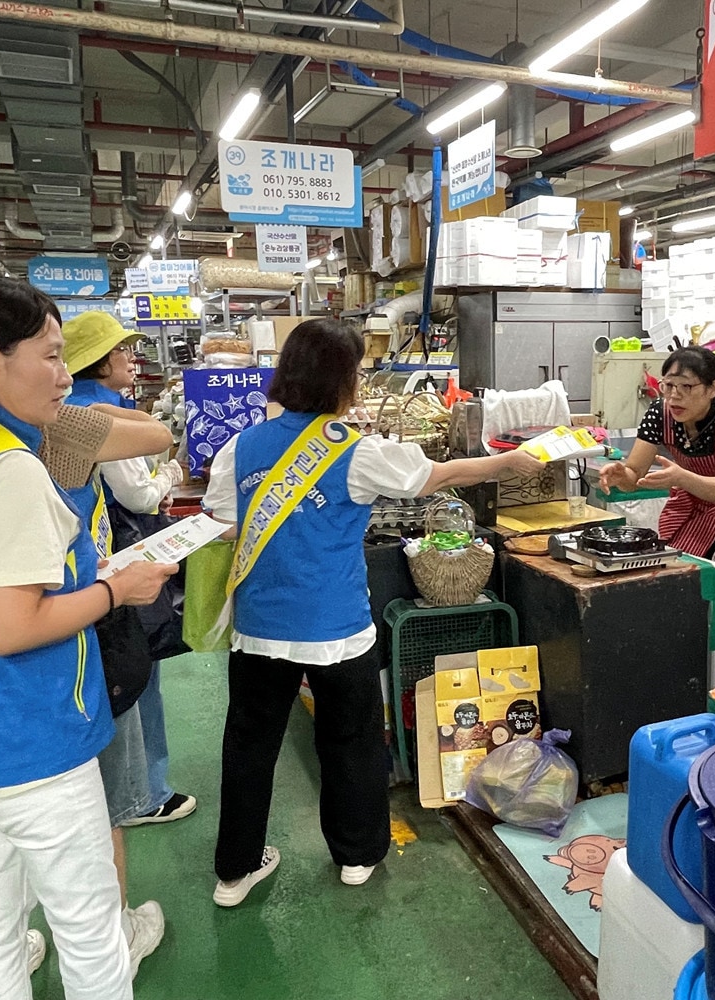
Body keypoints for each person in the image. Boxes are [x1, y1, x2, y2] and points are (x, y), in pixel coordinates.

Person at [0, 276, 178, 1000]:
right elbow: (11, 627)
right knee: (88, 930)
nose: (63, 377)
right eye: (49, 356)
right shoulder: (11, 469)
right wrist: (116, 589)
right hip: (27, 741)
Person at [201, 318, 543, 905]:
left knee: (250, 746)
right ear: (341, 381)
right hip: (336, 630)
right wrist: (505, 465)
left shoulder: (242, 446)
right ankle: (357, 854)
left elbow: (219, 518)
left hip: (259, 628)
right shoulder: (353, 452)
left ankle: (234, 871)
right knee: (352, 740)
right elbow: (434, 476)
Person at [62, 311, 196, 828]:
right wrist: (170, 474)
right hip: (107, 566)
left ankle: (133, 791)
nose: (130, 359)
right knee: (132, 674)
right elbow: (145, 476)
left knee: (119, 674)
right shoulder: (81, 417)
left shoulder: (82, 408)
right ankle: (139, 795)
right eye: (121, 352)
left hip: (92, 560)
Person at [599, 345, 715, 654]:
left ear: (712, 388)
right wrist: (621, 475)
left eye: (687, 387)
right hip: (696, 494)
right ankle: (681, 653)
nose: (674, 396)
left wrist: (681, 478)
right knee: (675, 567)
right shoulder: (660, 413)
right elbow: (633, 474)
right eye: (668, 386)